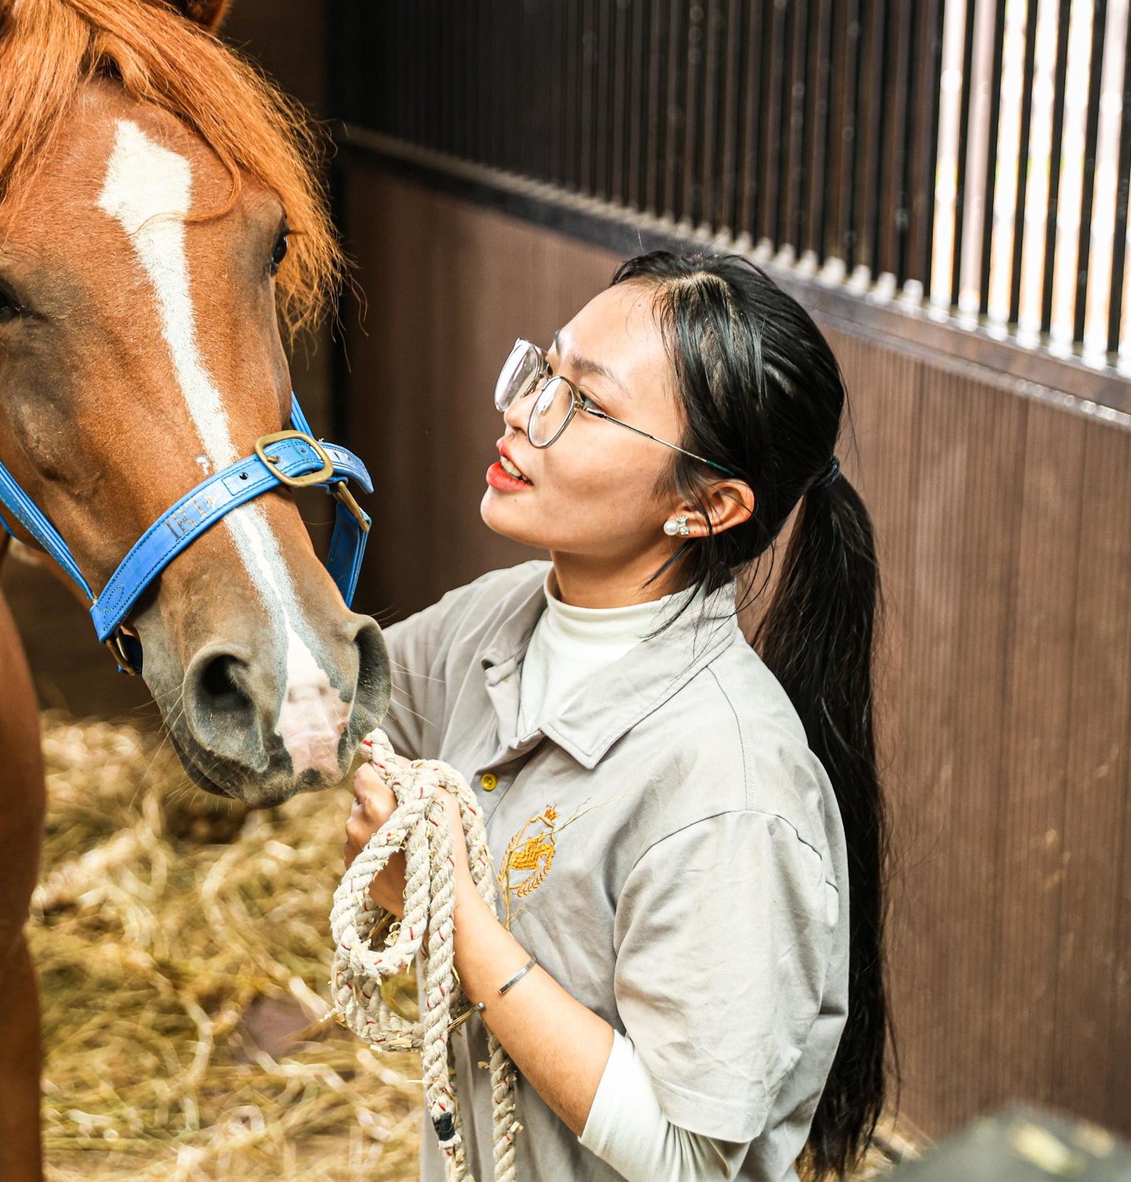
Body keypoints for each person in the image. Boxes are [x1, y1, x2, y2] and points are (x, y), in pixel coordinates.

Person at [343, 251, 887, 1181]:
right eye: (544, 369)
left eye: (584, 404)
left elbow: (687, 1156)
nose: (522, 411)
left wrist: (452, 920)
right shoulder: (503, 615)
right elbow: (352, 705)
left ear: (706, 505)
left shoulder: (730, 787)